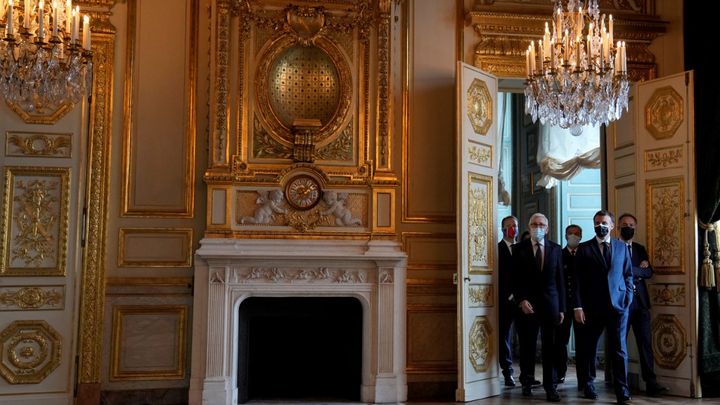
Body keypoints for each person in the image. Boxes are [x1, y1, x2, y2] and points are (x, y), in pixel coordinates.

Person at [573, 210, 634, 405]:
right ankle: (589, 384)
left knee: (619, 350)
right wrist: (578, 307)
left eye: (604, 222)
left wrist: (628, 298)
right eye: (598, 222)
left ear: (612, 226)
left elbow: (628, 275)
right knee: (589, 349)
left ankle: (622, 391)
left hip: (618, 307)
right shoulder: (583, 249)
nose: (601, 225)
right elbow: (577, 282)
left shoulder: (621, 247)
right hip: (592, 308)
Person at [512, 213, 565, 402]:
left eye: (541, 224)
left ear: (547, 228)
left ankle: (551, 387)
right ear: (528, 227)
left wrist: (562, 309)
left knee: (550, 348)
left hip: (551, 306)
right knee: (527, 346)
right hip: (527, 306)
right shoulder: (518, 250)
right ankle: (526, 382)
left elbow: (560, 281)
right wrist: (520, 300)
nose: (538, 227)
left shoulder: (556, 249)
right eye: (534, 224)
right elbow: (514, 279)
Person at [618, 213, 669, 397]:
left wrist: (634, 270)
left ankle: (651, 383)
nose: (628, 227)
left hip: (640, 304)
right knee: (619, 346)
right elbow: (617, 272)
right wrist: (638, 270)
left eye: (631, 224)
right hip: (621, 304)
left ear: (635, 227)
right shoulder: (613, 247)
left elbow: (649, 273)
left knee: (646, 344)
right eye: (625, 224)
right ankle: (621, 384)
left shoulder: (639, 248)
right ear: (618, 226)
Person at [554, 224, 582, 384]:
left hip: (581, 307)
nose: (573, 236)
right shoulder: (558, 254)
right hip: (563, 306)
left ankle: (583, 377)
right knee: (560, 341)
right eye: (570, 233)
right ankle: (560, 372)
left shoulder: (585, 253)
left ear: (581, 236)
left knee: (583, 342)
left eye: (576, 234)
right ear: (565, 236)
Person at [498, 215, 519, 387]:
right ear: (503, 229)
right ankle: (507, 372)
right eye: (509, 226)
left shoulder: (524, 248)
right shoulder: (497, 249)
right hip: (505, 301)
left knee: (526, 337)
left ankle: (527, 375)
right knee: (504, 336)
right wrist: (509, 295)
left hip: (523, 301)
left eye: (515, 225)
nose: (512, 228)